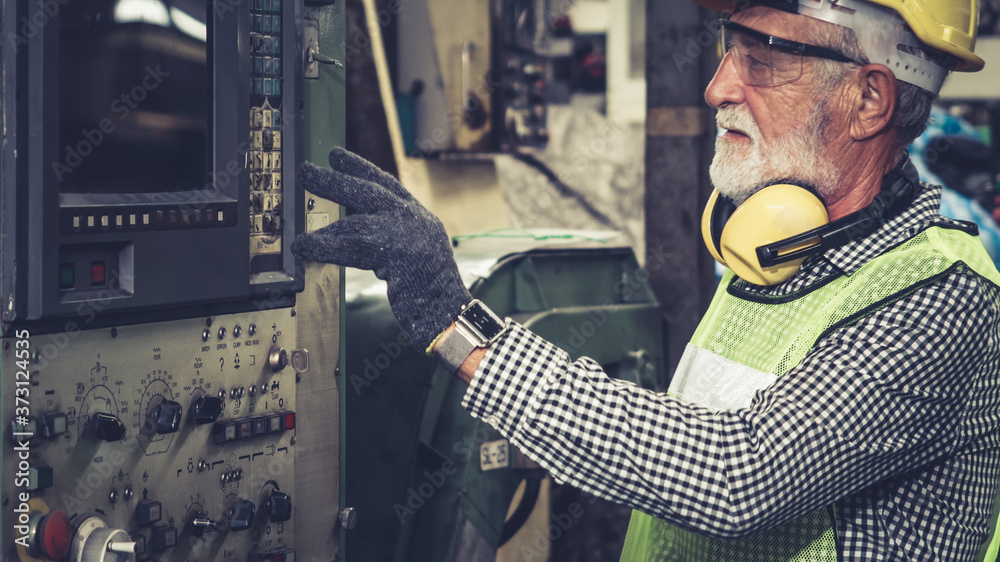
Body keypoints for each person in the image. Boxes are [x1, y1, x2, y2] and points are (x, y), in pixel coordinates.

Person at [292, 0, 1000, 559]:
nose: (717, 85)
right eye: (730, 49)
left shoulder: (942, 298)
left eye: (762, 60)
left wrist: (462, 330)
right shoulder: (778, 248)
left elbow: (736, 476)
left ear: (870, 100)